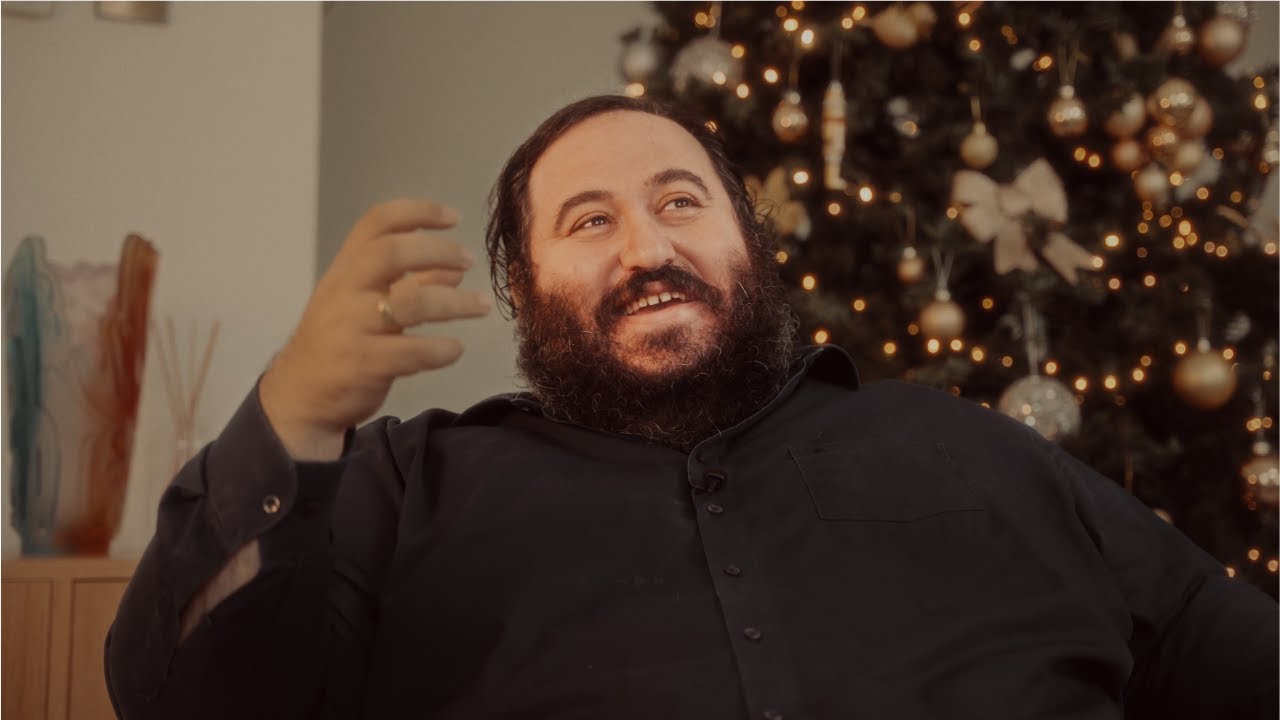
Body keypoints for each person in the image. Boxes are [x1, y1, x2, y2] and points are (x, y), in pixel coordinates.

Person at [105, 94, 1278, 720]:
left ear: (747, 245)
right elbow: (187, 705)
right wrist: (294, 417)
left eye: (679, 202)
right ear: (520, 290)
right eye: (589, 221)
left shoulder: (971, 449)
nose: (648, 249)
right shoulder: (406, 485)